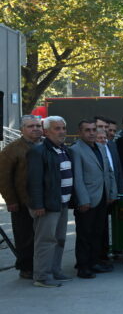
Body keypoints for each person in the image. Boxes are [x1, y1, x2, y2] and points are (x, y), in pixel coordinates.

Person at [26, 116, 75, 287]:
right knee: (45, 241)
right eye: (57, 128)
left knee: (59, 239)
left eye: (63, 128)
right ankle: (42, 276)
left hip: (62, 203)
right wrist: (38, 205)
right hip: (47, 205)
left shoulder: (64, 149)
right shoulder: (38, 151)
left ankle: (55, 270)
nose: (62, 132)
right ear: (46, 132)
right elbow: (34, 181)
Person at [68, 119, 118, 279]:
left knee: (98, 232)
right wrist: (82, 200)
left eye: (93, 129)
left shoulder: (101, 147)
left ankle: (95, 262)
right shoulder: (76, 150)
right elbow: (77, 177)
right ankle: (83, 266)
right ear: (79, 132)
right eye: (87, 130)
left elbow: (109, 172)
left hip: (102, 197)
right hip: (87, 199)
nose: (91, 133)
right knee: (85, 234)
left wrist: (112, 193)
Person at [0, 115, 43, 279]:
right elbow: (4, 178)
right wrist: (11, 200)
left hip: (43, 201)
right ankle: (26, 268)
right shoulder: (11, 150)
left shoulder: (45, 145)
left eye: (38, 126)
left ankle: (40, 265)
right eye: (31, 126)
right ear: (21, 130)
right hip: (22, 202)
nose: (35, 129)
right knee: (25, 237)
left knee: (41, 237)